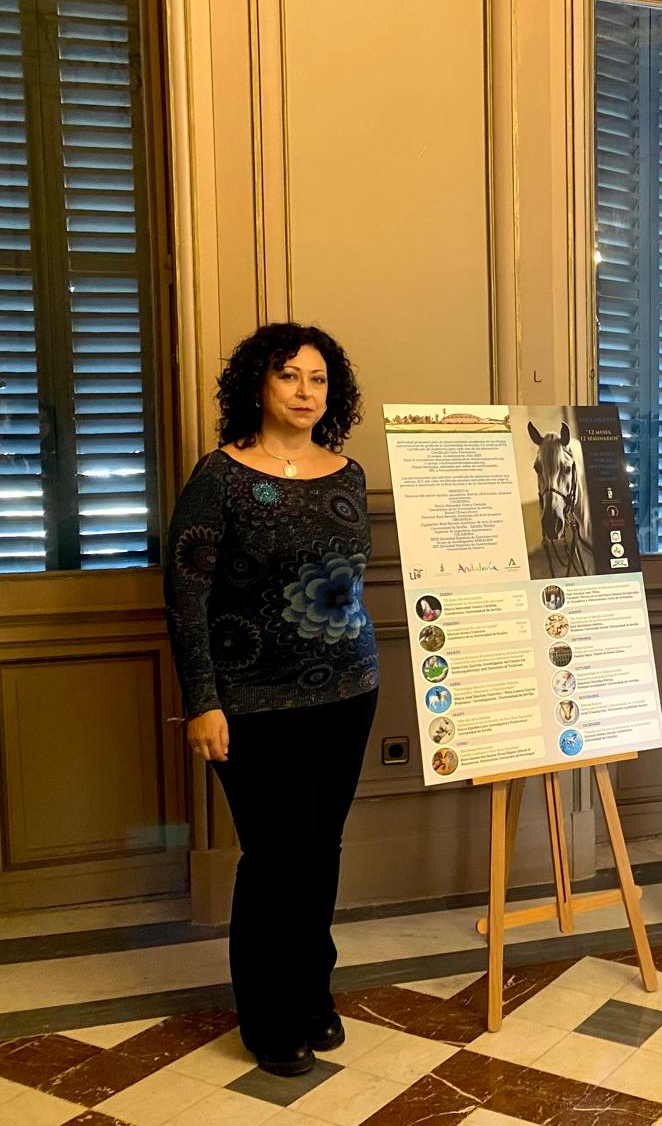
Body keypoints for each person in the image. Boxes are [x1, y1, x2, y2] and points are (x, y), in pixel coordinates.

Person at [164, 322, 377, 1077]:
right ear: (258, 383)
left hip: (349, 692)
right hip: (251, 702)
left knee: (321, 851)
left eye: (317, 379)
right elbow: (185, 597)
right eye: (289, 376)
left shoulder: (348, 473)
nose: (304, 391)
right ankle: (266, 1015)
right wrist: (203, 702)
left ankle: (313, 993)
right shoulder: (219, 477)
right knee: (275, 856)